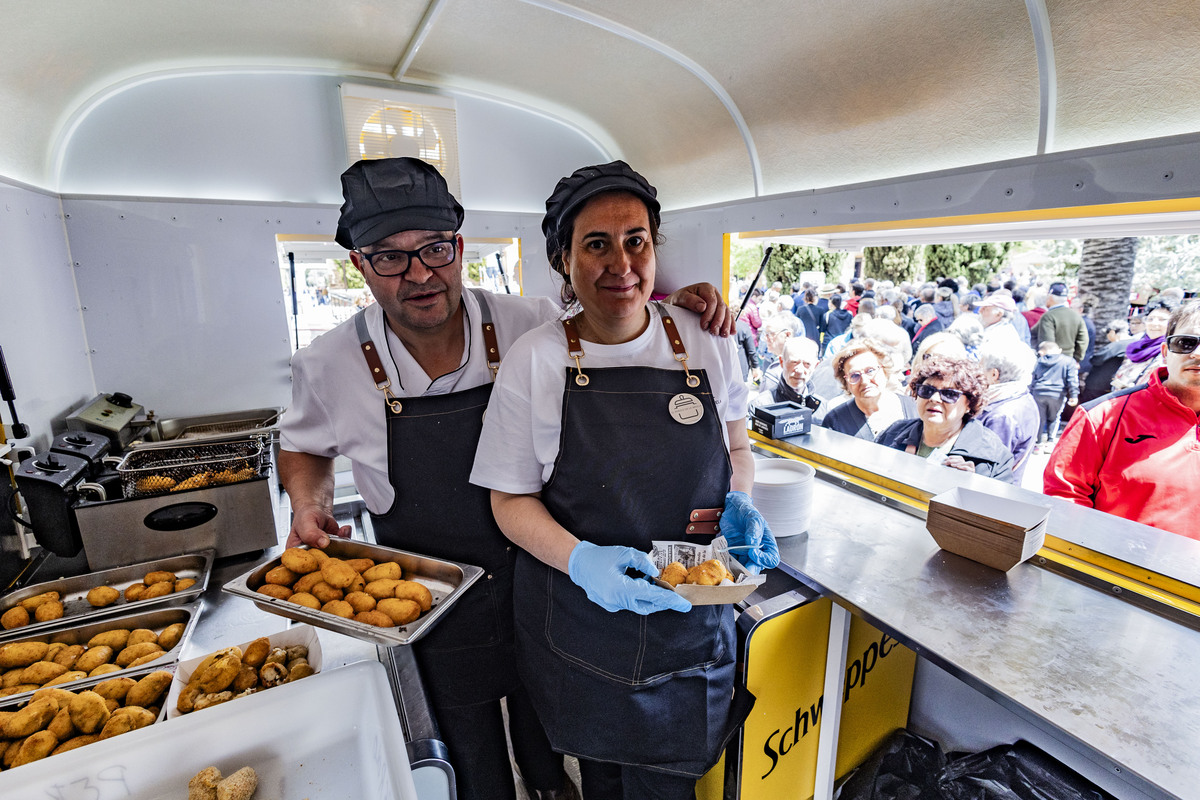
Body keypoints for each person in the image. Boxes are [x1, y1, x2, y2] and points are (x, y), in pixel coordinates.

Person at [277, 157, 730, 800]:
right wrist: (307, 503)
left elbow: (615, 313)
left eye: (435, 249)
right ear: (359, 264)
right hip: (425, 591)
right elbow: (301, 446)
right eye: (390, 258)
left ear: (459, 247)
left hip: (541, 574)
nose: (421, 274)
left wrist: (680, 301)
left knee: (549, 737)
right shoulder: (326, 363)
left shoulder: (528, 322)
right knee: (471, 756)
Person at [471, 161, 776, 800]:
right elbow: (508, 499)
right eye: (596, 244)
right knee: (603, 779)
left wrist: (739, 502)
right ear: (563, 259)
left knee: (669, 785)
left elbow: (739, 447)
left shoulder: (706, 338)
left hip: (690, 621)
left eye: (635, 239)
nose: (622, 263)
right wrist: (582, 562)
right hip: (583, 622)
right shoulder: (538, 359)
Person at [1044, 300, 1200, 540]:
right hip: (1113, 571)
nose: (1196, 353)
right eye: (1186, 343)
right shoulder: (1103, 416)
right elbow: (1064, 498)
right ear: (1165, 352)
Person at [876, 356, 1015, 481]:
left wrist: (971, 485)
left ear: (970, 403)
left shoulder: (993, 456)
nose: (934, 399)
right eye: (927, 390)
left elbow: (997, 507)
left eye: (949, 394)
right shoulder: (893, 433)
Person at [821, 338, 916, 440]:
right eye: (854, 375)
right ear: (846, 383)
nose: (864, 381)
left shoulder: (913, 408)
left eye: (870, 370)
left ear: (884, 370)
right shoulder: (835, 420)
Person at [976, 342, 1040, 484]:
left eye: (980, 366)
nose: (977, 371)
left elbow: (987, 467)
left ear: (994, 374)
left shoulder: (1001, 415)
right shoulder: (1022, 395)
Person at [754, 336, 826, 417]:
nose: (799, 370)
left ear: (815, 366)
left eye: (807, 364)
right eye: (794, 362)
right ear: (781, 362)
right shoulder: (761, 405)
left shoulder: (822, 408)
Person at [1110, 301, 1172, 391]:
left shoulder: (1170, 353)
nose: (1154, 323)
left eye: (1162, 319)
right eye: (1150, 319)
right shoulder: (1136, 348)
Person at [1030, 340, 1079, 450]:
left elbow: (1033, 378)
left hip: (1038, 392)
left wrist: (1030, 392)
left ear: (1043, 351)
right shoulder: (1068, 361)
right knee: (1054, 418)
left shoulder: (1039, 361)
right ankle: (1050, 442)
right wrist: (1074, 395)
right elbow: (1072, 379)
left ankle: (1038, 444)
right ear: (1059, 350)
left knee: (1039, 418)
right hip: (1057, 393)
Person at [1033, 282, 1089, 363]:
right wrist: (1076, 359)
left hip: (1053, 363)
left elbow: (1047, 343)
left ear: (1050, 298)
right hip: (1070, 360)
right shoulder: (1076, 316)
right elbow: (1083, 340)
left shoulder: (1049, 316)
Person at [1079, 318, 1132, 404]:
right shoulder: (1135, 343)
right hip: (1116, 385)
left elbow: (1096, 359)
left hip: (1098, 385)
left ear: (1112, 332)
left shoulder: (1117, 345)